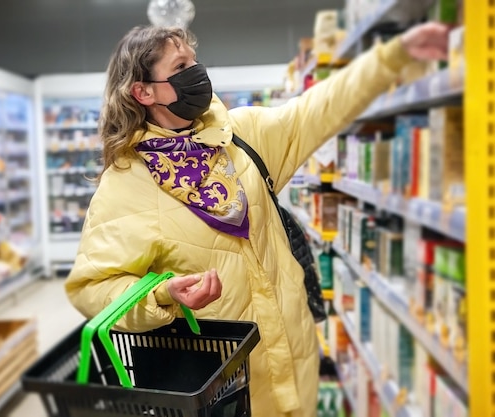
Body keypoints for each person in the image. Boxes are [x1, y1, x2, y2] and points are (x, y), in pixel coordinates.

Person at [65, 22, 450, 417]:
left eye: (196, 61)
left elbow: (319, 108)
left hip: (294, 356)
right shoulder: (126, 184)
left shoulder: (241, 136)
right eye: (181, 65)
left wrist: (392, 56)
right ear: (143, 91)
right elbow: (92, 288)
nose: (198, 73)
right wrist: (163, 295)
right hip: (221, 382)